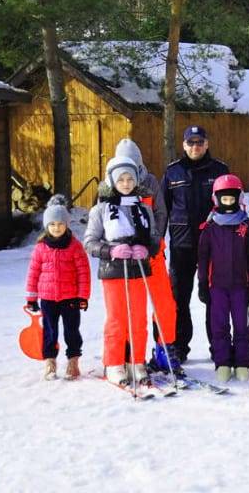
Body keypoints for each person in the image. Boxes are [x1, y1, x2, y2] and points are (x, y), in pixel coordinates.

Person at [84, 156, 159, 385]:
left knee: (138, 319)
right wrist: (110, 250)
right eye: (121, 179)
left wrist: (146, 249)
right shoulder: (101, 209)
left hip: (138, 270)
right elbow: (89, 242)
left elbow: (155, 237)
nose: (125, 183)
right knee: (117, 319)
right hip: (113, 271)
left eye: (130, 179)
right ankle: (115, 362)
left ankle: (136, 361)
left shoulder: (144, 209)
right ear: (112, 181)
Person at [114, 139, 181, 376]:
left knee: (165, 303)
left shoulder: (151, 182)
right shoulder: (111, 184)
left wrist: (153, 243)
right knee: (130, 309)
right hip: (126, 259)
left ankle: (165, 348)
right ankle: (126, 353)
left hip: (152, 254)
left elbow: (161, 213)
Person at [162, 125, 229, 362]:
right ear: (183, 145)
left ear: (207, 143)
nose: (195, 146)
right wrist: (158, 244)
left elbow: (231, 207)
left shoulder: (220, 170)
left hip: (215, 246)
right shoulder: (173, 172)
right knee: (179, 297)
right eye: (190, 142)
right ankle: (179, 347)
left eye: (199, 142)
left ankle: (219, 347)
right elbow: (163, 211)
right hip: (182, 246)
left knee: (215, 298)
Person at [198, 174, 249, 382]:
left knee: (242, 325)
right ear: (216, 200)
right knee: (219, 325)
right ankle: (222, 362)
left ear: (239, 198)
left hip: (241, 286)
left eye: (231, 199)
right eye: (224, 199)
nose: (228, 203)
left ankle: (242, 363)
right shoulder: (209, 228)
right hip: (217, 287)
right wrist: (202, 285)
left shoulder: (247, 226)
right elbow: (203, 259)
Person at [25, 195, 90, 381]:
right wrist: (31, 297)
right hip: (47, 299)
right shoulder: (40, 248)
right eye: (52, 224)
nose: (56, 227)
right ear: (47, 226)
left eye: (60, 223)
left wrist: (82, 296)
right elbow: (33, 273)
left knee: (71, 330)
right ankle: (50, 362)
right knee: (49, 331)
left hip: (70, 298)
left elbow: (83, 272)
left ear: (66, 224)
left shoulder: (75, 246)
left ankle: (73, 361)